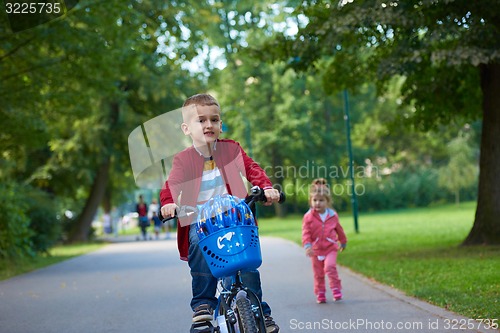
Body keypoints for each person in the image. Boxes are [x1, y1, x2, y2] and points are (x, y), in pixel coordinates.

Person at [160, 93, 281, 332]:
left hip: (234, 219)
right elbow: (171, 184)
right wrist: (169, 203)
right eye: (201, 120)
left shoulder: (231, 149)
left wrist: (266, 188)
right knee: (196, 240)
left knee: (247, 267)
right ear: (186, 128)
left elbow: (251, 168)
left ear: (220, 124)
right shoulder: (183, 160)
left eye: (214, 120)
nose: (209, 125)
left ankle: (259, 310)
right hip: (201, 221)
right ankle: (203, 305)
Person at [302, 178, 347, 304]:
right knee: (318, 273)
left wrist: (343, 241)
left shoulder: (332, 215)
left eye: (321, 200)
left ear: (327, 202)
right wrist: (307, 246)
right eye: (315, 200)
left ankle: (336, 288)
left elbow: (339, 229)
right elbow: (306, 232)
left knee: (330, 267)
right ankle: (320, 292)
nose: (317, 203)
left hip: (330, 247)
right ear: (311, 201)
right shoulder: (308, 217)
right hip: (315, 250)